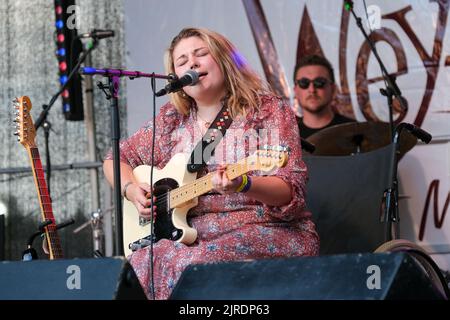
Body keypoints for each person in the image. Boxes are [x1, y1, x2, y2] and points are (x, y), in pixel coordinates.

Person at [103, 27, 319, 300]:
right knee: (140, 263)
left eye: (200, 54)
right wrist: (131, 190)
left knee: (190, 265)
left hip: (265, 229)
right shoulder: (172, 120)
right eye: (181, 62)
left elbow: (290, 192)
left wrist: (244, 183)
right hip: (192, 236)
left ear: (223, 60)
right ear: (177, 78)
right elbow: (114, 158)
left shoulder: (266, 111)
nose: (191, 63)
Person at [293, 55, 355, 139]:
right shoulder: (286, 139)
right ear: (295, 90)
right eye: (304, 83)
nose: (312, 90)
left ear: (333, 89)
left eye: (319, 82)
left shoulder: (354, 131)